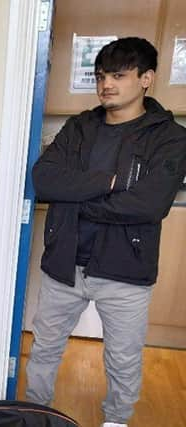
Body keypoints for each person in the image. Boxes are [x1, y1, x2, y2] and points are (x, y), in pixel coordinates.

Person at [26, 37, 186, 427]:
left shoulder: (170, 137)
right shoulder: (80, 127)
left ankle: (116, 421)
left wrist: (78, 196)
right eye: (100, 76)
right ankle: (33, 414)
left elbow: (148, 206)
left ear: (146, 79)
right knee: (44, 348)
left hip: (125, 270)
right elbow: (44, 180)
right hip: (64, 264)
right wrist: (109, 181)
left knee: (123, 357)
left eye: (118, 75)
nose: (106, 85)